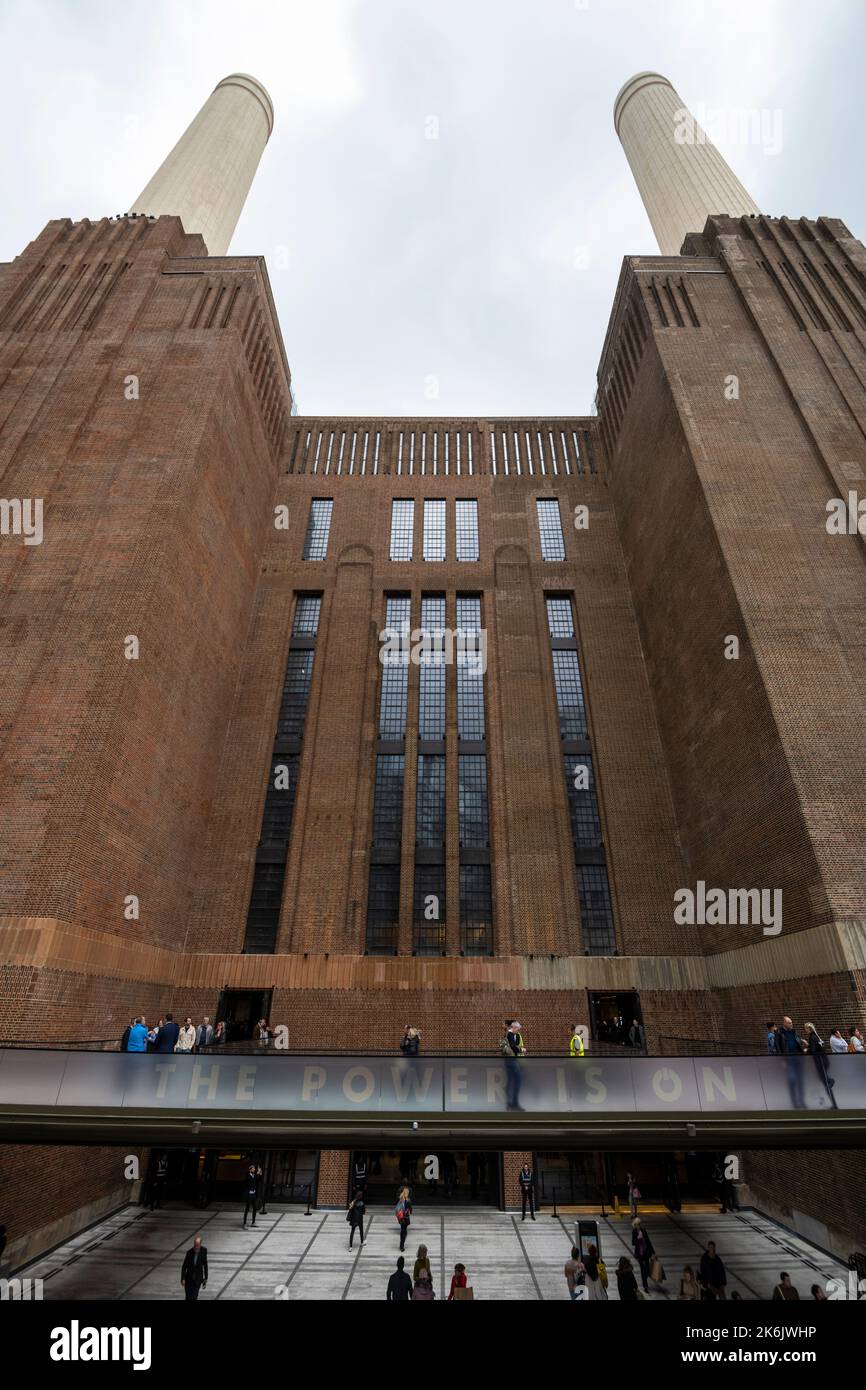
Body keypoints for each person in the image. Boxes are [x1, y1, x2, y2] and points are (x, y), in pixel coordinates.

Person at [777, 1015, 806, 1108]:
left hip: (798, 1058)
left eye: (791, 1022)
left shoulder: (794, 1031)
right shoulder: (779, 1033)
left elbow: (797, 1042)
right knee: (792, 1080)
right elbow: (778, 1047)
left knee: (800, 1080)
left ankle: (802, 1101)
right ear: (784, 1023)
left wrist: (803, 1046)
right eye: (789, 1023)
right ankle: (794, 1102)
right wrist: (782, 1060)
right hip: (788, 1060)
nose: (791, 1024)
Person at [805, 1022, 836, 1107]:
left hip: (820, 1062)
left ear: (808, 1029)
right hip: (824, 1060)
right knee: (825, 1083)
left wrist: (806, 1050)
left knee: (826, 1083)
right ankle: (834, 1104)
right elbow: (819, 1047)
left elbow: (814, 1050)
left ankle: (830, 1081)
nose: (805, 1030)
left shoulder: (812, 1037)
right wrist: (809, 1046)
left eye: (806, 1029)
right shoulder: (816, 1036)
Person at [502, 1020, 525, 1111]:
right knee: (517, 1080)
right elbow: (512, 1047)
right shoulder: (509, 1035)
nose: (518, 1031)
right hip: (510, 1060)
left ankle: (511, 1103)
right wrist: (521, 1050)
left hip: (512, 1060)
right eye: (518, 1029)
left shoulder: (514, 1035)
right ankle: (513, 1103)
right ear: (514, 1028)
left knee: (511, 1081)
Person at [631, 1218, 655, 1292]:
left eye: (639, 1224)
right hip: (639, 1253)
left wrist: (653, 1252)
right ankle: (645, 1286)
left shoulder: (643, 1230)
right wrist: (638, 1238)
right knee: (642, 1269)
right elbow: (633, 1243)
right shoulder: (634, 1232)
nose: (638, 1226)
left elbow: (648, 1241)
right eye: (637, 1224)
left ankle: (645, 1277)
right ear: (635, 1225)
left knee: (647, 1269)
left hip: (646, 1252)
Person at [180, 1235, 208, 1300]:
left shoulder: (204, 1251)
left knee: (194, 1297)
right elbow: (184, 1266)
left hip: (198, 1279)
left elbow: (205, 1265)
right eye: (195, 1245)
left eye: (197, 1245)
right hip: (189, 1280)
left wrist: (206, 1278)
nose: (196, 1247)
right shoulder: (189, 1253)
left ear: (200, 1244)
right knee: (188, 1297)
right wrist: (183, 1278)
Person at [242, 1163, 260, 1228]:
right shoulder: (247, 1175)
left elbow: (257, 1179)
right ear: (250, 1169)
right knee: (247, 1209)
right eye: (253, 1168)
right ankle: (244, 1223)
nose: (254, 1169)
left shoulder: (254, 1175)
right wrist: (257, 1174)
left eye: (254, 1169)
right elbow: (251, 1180)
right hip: (249, 1194)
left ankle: (253, 1222)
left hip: (253, 1194)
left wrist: (259, 1173)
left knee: (255, 1208)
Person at [396, 1186, 412, 1252]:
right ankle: (402, 1245)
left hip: (400, 1217)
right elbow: (410, 1210)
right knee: (404, 1231)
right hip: (405, 1217)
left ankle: (401, 1243)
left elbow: (397, 1208)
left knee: (402, 1230)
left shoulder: (400, 1199)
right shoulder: (408, 1201)